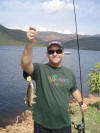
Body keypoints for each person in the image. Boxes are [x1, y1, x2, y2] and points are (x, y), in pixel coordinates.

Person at [21, 26, 87, 133]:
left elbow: (74, 90)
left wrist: (81, 103)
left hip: (63, 124)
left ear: (63, 53)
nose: (55, 54)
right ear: (47, 54)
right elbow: (25, 64)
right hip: (42, 124)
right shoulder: (39, 69)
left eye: (58, 51)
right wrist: (29, 44)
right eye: (51, 51)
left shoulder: (69, 73)